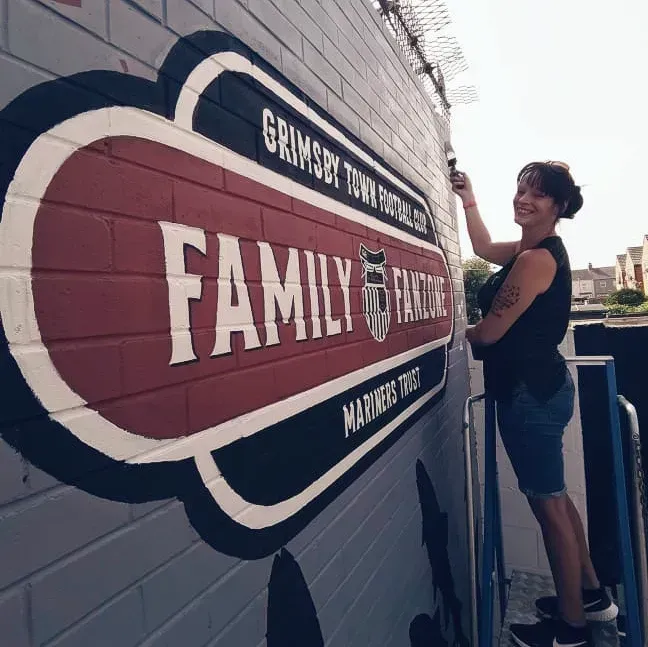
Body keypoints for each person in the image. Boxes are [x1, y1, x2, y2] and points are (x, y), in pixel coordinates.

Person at [450, 161, 618, 647]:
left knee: (547, 508)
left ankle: (570, 628)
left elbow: (491, 333)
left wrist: (464, 333)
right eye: (521, 189)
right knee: (558, 500)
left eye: (538, 194)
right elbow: (482, 249)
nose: (523, 199)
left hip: (530, 397)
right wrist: (468, 198)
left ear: (558, 207)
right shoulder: (534, 250)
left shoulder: (533, 261)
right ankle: (591, 597)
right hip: (545, 390)